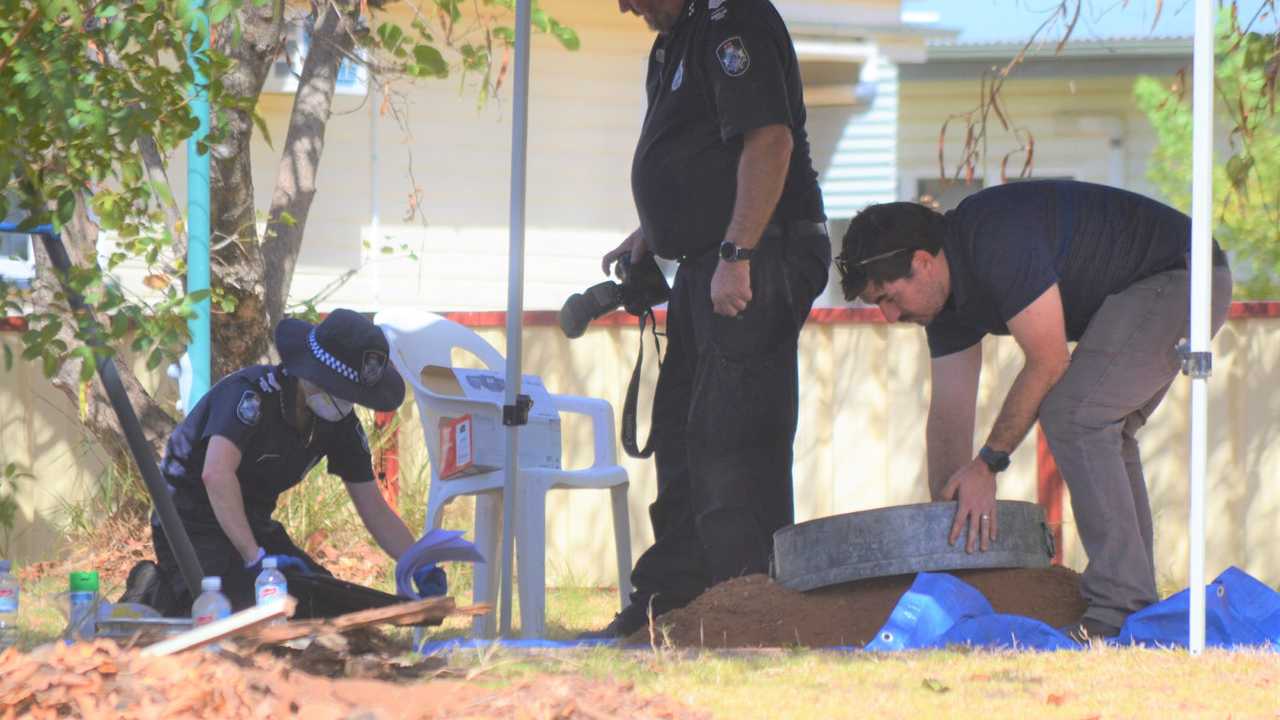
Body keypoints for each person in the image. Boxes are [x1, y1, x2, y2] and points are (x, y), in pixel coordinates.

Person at [835, 180, 1233, 640]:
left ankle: (1119, 608)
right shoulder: (945, 304)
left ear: (922, 263)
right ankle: (1133, 608)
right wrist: (947, 523)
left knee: (1076, 416)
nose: (887, 317)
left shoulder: (993, 238)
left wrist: (988, 464)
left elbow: (1048, 361)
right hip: (1164, 283)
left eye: (888, 297)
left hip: (1183, 275)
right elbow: (949, 412)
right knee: (1100, 426)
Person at [583, 0, 831, 638]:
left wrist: (737, 254)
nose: (624, 5)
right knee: (681, 435)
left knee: (732, 441)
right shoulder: (680, 37)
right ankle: (674, 604)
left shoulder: (733, 20)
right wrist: (655, 228)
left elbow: (769, 142)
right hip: (708, 261)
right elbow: (702, 156)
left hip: (757, 256)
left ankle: (745, 612)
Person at [130, 309, 444, 615]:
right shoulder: (250, 396)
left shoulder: (339, 423)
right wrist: (253, 558)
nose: (344, 401)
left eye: (353, 395)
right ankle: (156, 591)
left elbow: (373, 507)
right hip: (190, 521)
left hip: (253, 522)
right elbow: (216, 474)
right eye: (337, 389)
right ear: (308, 373)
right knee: (238, 607)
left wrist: (418, 562)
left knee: (319, 598)